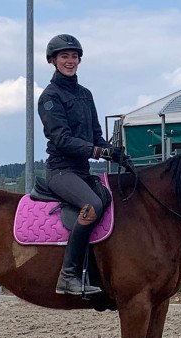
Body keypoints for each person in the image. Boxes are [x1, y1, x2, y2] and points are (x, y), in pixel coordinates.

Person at [38, 34, 128, 296]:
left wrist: (113, 151)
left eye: (74, 56)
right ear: (53, 61)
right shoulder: (49, 97)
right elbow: (62, 139)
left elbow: (97, 136)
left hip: (82, 172)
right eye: (64, 56)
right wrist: (96, 150)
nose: (70, 61)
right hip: (61, 171)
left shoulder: (85, 95)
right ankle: (67, 275)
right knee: (92, 205)